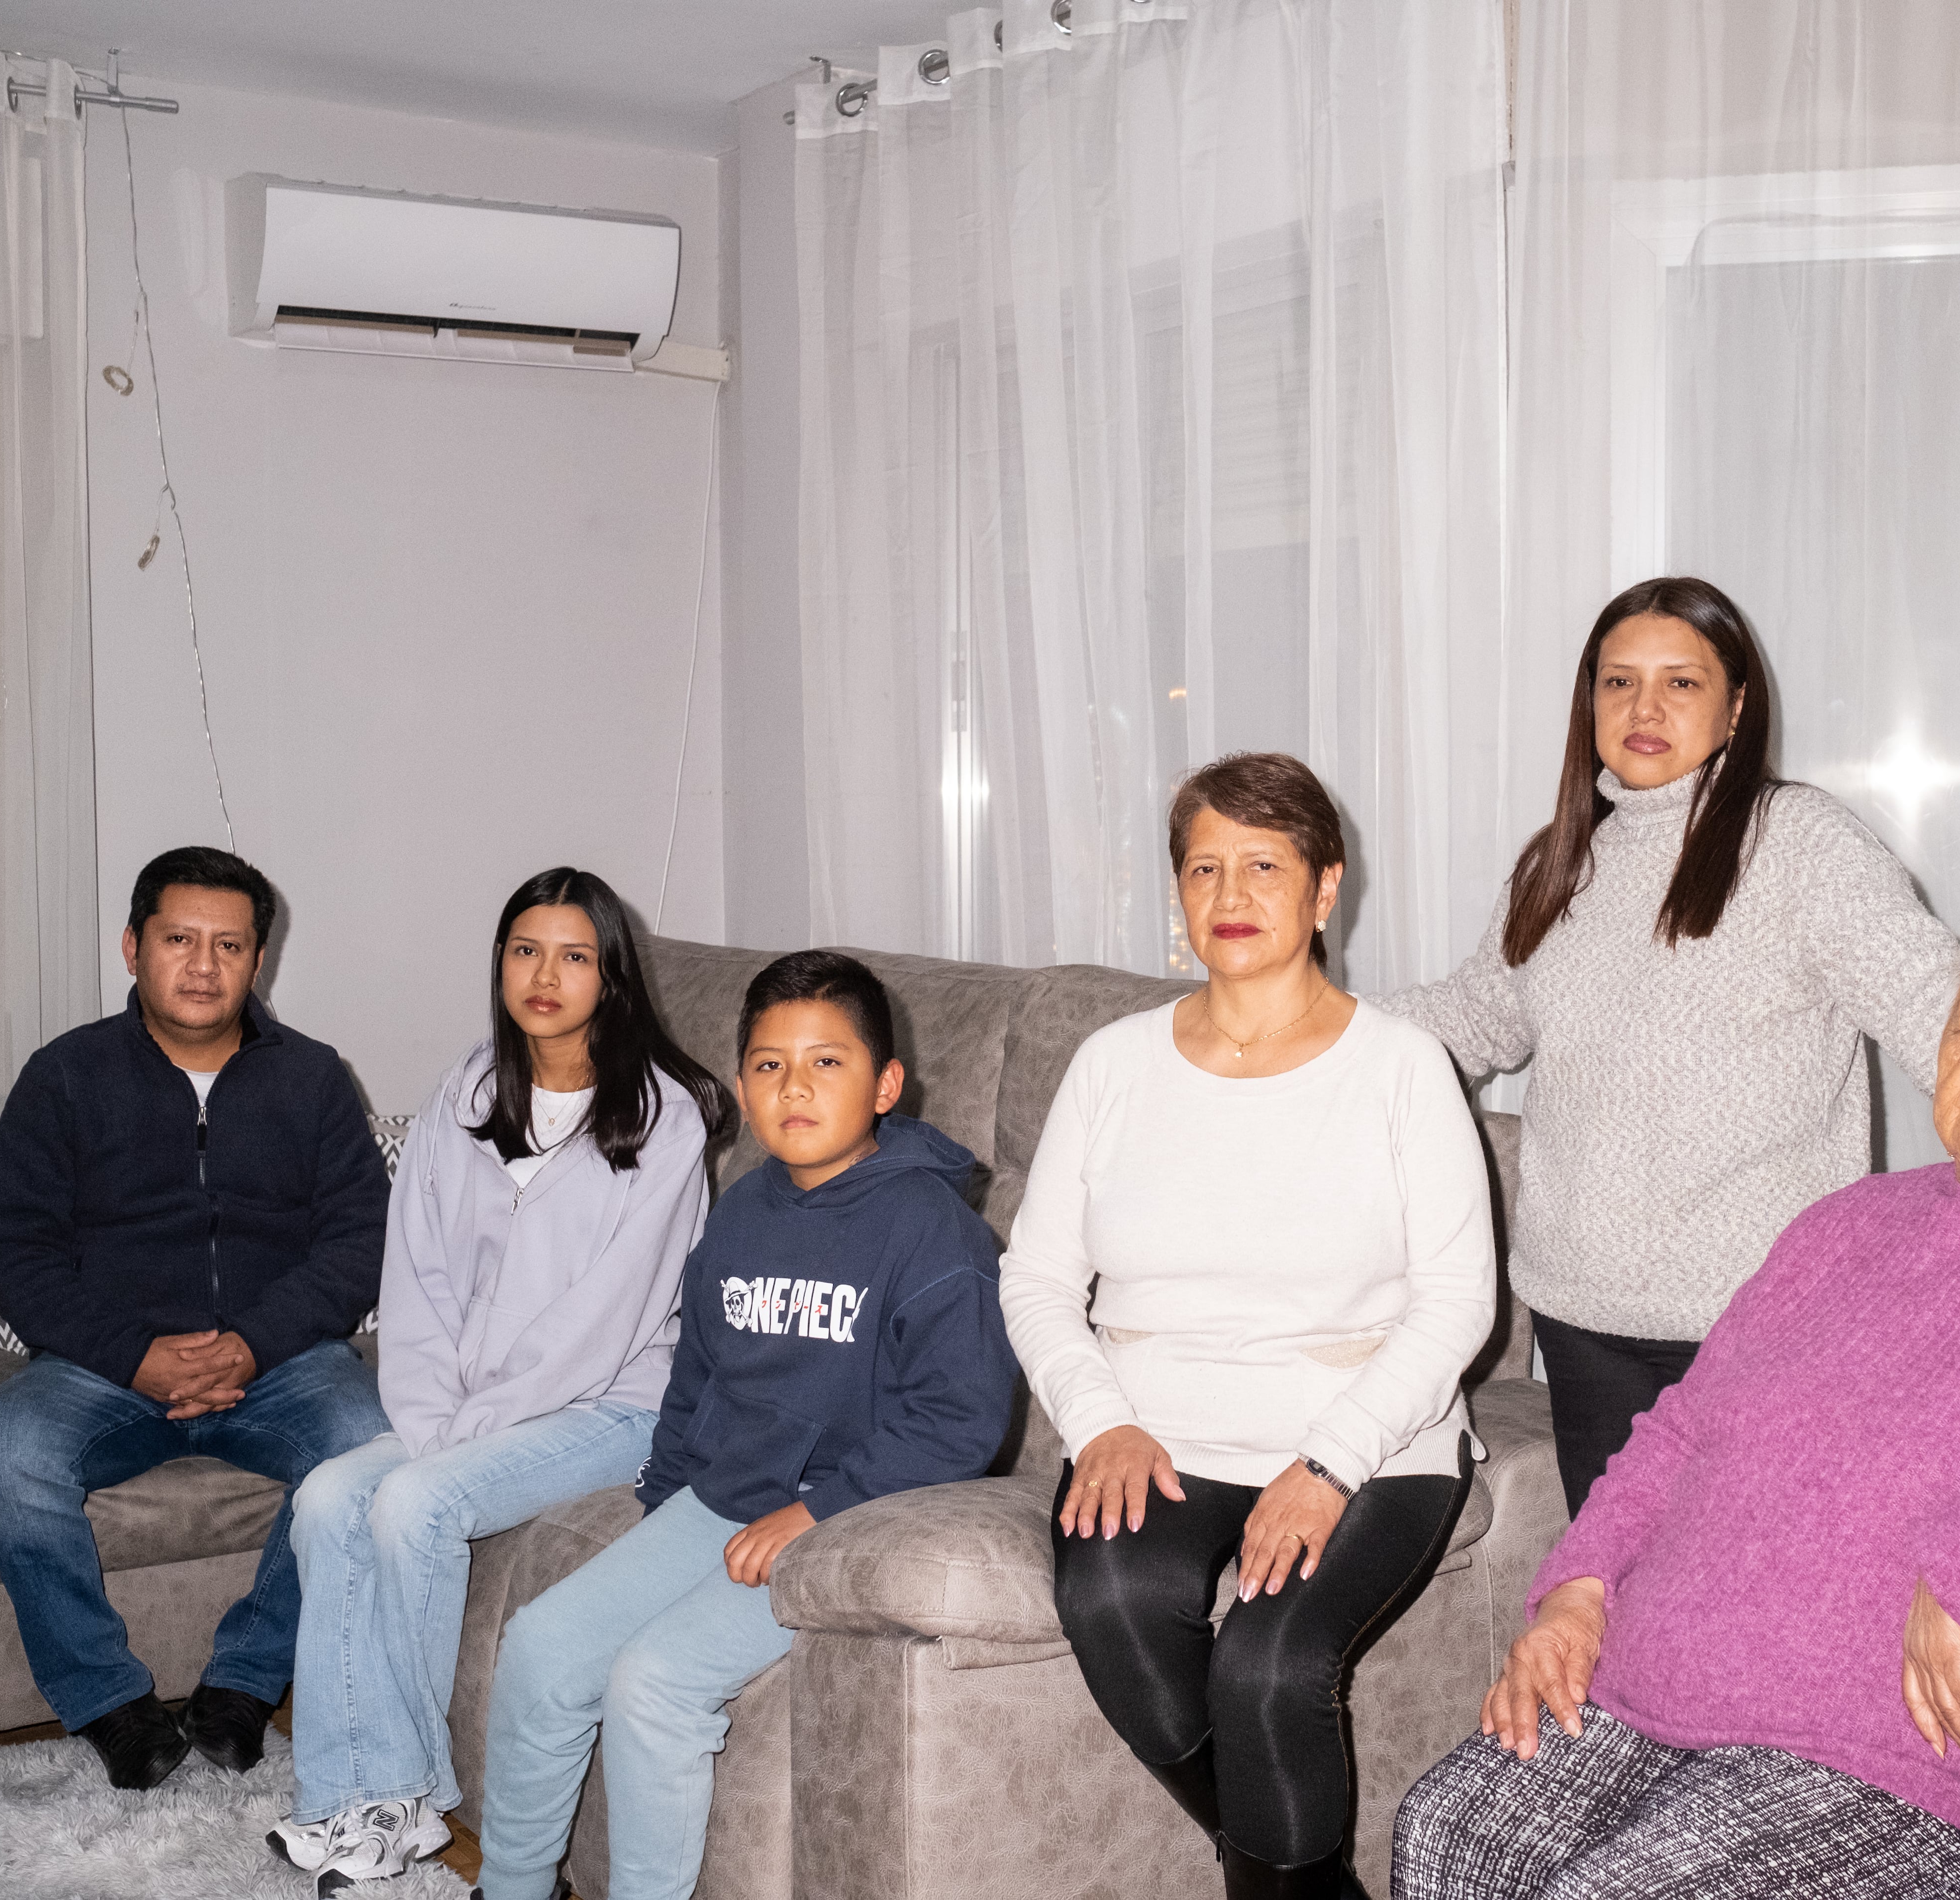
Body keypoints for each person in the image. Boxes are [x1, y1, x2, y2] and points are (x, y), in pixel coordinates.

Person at [1391, 902, 1960, 1900]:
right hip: (1675, 1682)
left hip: (1929, 1761)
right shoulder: (1846, 1220)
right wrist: (1577, 1585)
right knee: (1446, 1835)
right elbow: (1683, 1429)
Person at [1002, 752, 1497, 1900]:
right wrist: (1101, 1423)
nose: (1230, 892)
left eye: (1264, 865)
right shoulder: (1113, 1063)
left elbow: (1457, 1300)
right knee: (1110, 1598)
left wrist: (1328, 1465)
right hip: (1161, 1425)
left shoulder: (1402, 1068)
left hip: (1369, 1432)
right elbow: (1033, 1278)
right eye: (1205, 866)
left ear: (1326, 890)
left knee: (1267, 1666)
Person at [1376, 576, 1960, 1516]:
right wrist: (1301, 1033)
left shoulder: (1802, 844)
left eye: (1681, 683)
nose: (1644, 708)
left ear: (1736, 707)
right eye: (1618, 682)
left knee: (1743, 1623)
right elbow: (1480, 1016)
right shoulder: (1558, 861)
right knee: (1607, 1620)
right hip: (1582, 1319)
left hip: (1762, 1324)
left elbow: (1936, 1007)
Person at [474, 950, 1017, 1900]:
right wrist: (660, 1502)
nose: (794, 1086)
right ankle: (515, 1886)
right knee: (543, 1645)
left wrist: (817, 1514)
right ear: (740, 1085)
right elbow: (698, 1377)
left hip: (854, 1516)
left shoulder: (934, 1231)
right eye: (769, 1065)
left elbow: (961, 1420)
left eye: (827, 1062)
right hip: (723, 1497)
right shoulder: (739, 1215)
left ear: (887, 1083)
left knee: (654, 1682)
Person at [266, 868, 730, 1886]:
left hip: (617, 1401)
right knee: (330, 1493)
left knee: (416, 1505)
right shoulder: (471, 1087)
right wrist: (431, 1410)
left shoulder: (666, 1115)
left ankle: (405, 1797)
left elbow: (605, 1317)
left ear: (611, 976)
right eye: (526, 950)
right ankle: (341, 1798)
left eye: (574, 955)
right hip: (470, 1400)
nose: (546, 974)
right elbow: (418, 1267)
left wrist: (462, 1433)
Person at [0, 847, 391, 1790]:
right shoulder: (65, 1074)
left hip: (279, 1362)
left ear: (258, 961)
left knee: (372, 1441)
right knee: (5, 1443)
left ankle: (242, 1684)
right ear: (132, 947)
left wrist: (254, 1341)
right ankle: (110, 1701)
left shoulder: (315, 1079)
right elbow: (8, 1247)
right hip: (106, 1370)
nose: (203, 965)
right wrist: (132, 1353)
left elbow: (359, 1242)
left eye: (228, 945)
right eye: (179, 940)